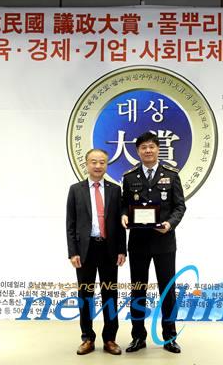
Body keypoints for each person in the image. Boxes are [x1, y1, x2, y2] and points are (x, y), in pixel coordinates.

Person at [121, 132, 186, 354]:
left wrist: (170, 224)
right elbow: (124, 204)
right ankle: (138, 337)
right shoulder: (129, 177)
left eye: (151, 147)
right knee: (138, 290)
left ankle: (169, 337)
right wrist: (123, 215)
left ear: (158, 149)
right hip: (138, 242)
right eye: (143, 147)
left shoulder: (171, 175)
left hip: (164, 242)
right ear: (137, 151)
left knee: (167, 290)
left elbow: (180, 206)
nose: (148, 151)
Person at [66, 148, 127, 355]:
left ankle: (110, 338)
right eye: (94, 162)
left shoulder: (115, 190)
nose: (98, 165)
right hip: (85, 250)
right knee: (86, 295)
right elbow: (70, 224)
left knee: (110, 294)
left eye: (102, 162)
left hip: (109, 249)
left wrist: (122, 249)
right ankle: (87, 338)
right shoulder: (76, 190)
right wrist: (73, 252)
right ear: (86, 164)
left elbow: (119, 224)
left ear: (107, 165)